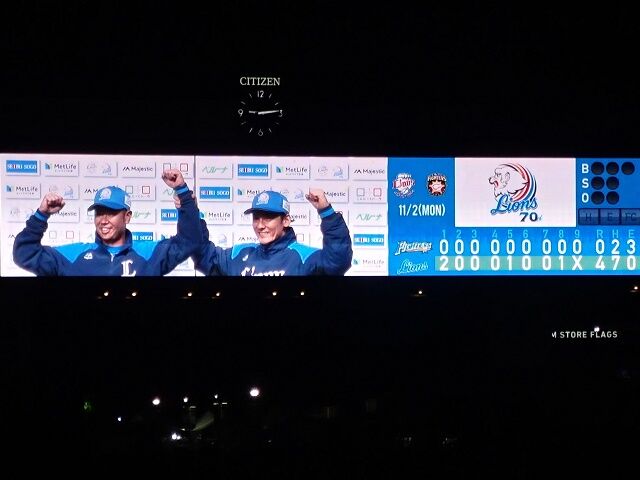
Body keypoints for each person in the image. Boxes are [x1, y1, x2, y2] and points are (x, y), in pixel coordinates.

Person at [12, 169, 201, 276]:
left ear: (127, 217)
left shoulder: (149, 253)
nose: (103, 220)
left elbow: (190, 241)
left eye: (111, 213)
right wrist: (41, 215)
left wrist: (183, 193)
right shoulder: (73, 255)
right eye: (99, 213)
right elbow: (24, 255)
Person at [192, 189, 352, 276]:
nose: (260, 225)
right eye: (256, 218)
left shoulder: (305, 257)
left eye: (268, 217)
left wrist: (326, 212)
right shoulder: (238, 255)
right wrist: (190, 211)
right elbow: (203, 254)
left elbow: (338, 261)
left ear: (286, 221)